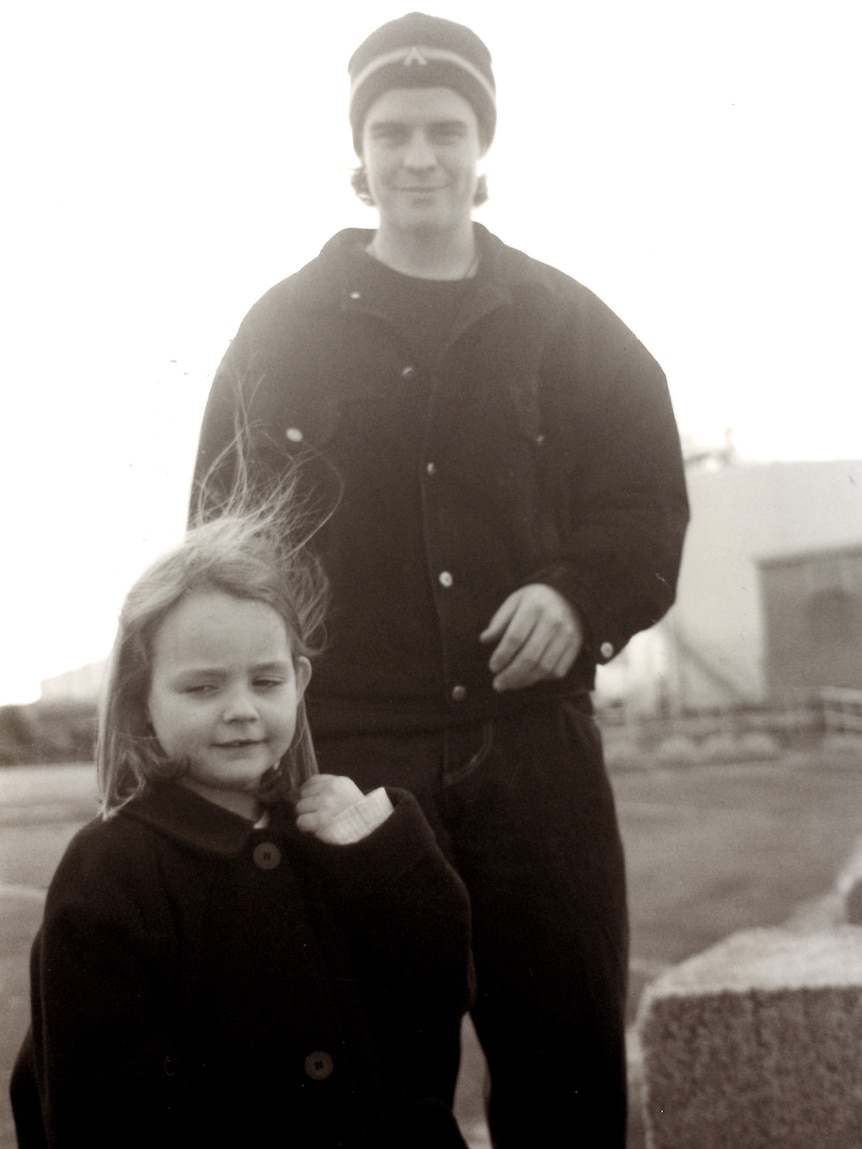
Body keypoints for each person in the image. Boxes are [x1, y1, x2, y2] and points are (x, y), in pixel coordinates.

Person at [192, 12, 690, 1145]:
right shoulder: (278, 332)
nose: (420, 155)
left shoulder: (573, 329)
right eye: (394, 130)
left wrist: (576, 595)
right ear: (358, 156)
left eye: (446, 129)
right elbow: (216, 548)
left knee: (565, 1065)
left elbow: (646, 504)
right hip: (351, 765)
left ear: (483, 149)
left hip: (536, 761)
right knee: (364, 1080)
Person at [10, 487, 473, 1148]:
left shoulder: (334, 833)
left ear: (300, 681)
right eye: (202, 686)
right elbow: (99, 1102)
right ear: (141, 703)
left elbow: (440, 987)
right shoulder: (110, 867)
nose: (242, 709)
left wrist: (380, 852)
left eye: (266, 681)